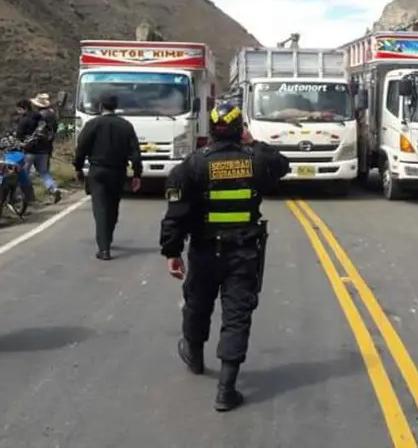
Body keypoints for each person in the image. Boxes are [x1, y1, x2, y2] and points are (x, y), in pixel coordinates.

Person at [159, 100, 290, 411]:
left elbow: (175, 214)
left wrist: (172, 251)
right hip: (243, 252)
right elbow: (283, 165)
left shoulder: (192, 164)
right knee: (237, 316)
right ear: (239, 129)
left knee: (197, 305)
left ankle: (194, 356)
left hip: (204, 251)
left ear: (211, 132)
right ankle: (226, 389)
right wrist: (253, 143)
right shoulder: (256, 159)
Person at [73, 93, 142, 260]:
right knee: (113, 206)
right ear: (115, 106)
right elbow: (135, 152)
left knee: (100, 208)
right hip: (118, 171)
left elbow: (81, 148)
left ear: (100, 106)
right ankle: (108, 239)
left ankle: (104, 248)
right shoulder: (125, 126)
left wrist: (78, 168)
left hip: (97, 171)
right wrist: (137, 174)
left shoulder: (92, 124)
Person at [14, 98, 60, 205]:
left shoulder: (24, 120)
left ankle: (27, 197)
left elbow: (18, 136)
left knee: (24, 174)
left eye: (19, 110)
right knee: (44, 172)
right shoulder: (41, 118)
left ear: (24, 109)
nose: (18, 112)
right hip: (43, 150)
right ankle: (54, 189)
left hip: (29, 151)